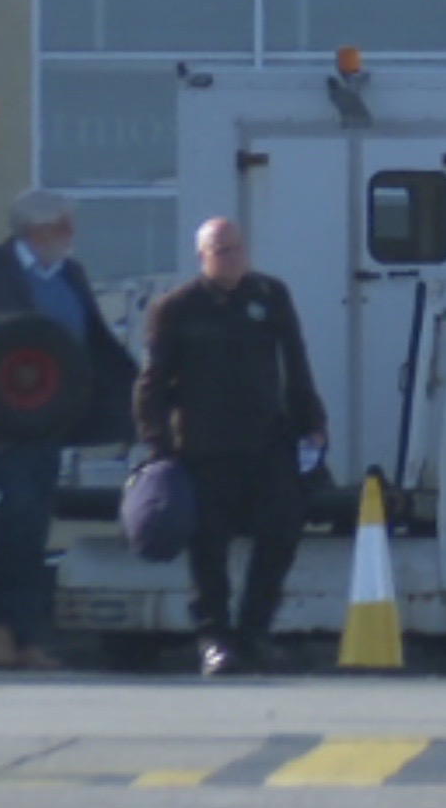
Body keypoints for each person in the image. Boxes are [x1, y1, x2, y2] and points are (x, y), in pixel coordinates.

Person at [0, 188, 136, 671]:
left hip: (53, 420)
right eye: (64, 226)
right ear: (38, 232)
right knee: (15, 518)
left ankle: (25, 635)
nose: (72, 236)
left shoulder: (70, 275)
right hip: (1, 424)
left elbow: (90, 341)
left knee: (34, 526)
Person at [134, 218, 326, 677]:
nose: (232, 257)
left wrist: (313, 422)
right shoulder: (176, 308)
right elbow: (152, 383)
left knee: (282, 531)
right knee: (210, 548)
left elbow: (295, 362)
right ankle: (215, 638)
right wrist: (158, 445)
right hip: (203, 448)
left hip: (267, 442)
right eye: (221, 250)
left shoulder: (269, 296)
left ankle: (254, 631)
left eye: (237, 248)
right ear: (202, 256)